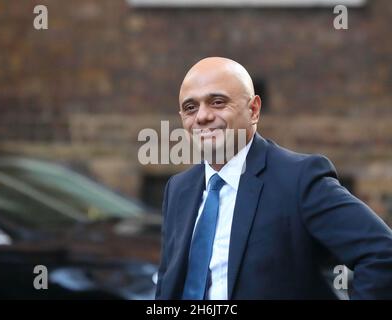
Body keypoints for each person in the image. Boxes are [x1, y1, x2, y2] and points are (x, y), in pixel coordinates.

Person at [155, 57, 392, 300]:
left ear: (254, 110)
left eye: (217, 102)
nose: (202, 116)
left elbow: (382, 255)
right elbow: (167, 283)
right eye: (190, 107)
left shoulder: (298, 179)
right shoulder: (178, 189)